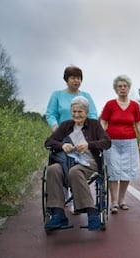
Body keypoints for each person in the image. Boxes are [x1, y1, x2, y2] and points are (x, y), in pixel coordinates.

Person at [44, 96, 111, 231]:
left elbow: (107, 142)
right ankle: (58, 214)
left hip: (88, 164)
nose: (76, 114)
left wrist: (89, 145)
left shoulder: (94, 125)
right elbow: (49, 142)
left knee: (75, 171)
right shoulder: (65, 126)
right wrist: (62, 145)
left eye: (80, 112)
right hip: (65, 162)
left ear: (86, 112)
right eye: (74, 111)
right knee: (52, 169)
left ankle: (92, 214)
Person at [45, 65, 98, 214]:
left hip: (82, 134)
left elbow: (93, 114)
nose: (77, 80)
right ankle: (61, 197)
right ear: (66, 79)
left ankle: (77, 198)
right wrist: (56, 128)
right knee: (60, 162)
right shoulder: (57, 95)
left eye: (79, 78)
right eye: (73, 77)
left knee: (78, 164)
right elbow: (50, 113)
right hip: (63, 135)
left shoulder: (86, 96)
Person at [100, 75, 140, 214]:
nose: (122, 88)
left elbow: (138, 123)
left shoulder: (134, 105)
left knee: (127, 171)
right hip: (112, 142)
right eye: (119, 86)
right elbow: (103, 121)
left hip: (130, 142)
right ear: (116, 89)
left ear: (128, 88)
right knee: (113, 172)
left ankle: (122, 200)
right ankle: (113, 202)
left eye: (125, 86)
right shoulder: (110, 104)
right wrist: (103, 135)